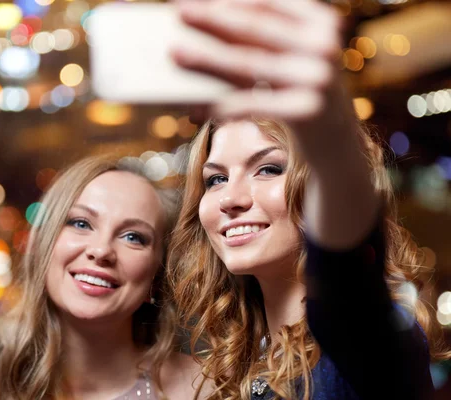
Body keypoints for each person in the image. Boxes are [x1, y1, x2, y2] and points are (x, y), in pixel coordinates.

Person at [167, 0, 449, 399]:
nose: (230, 197)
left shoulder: (355, 340)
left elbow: (350, 294)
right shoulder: (241, 361)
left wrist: (331, 151)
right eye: (215, 179)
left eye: (268, 169)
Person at [0, 156, 209, 399]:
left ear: (156, 276)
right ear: (43, 245)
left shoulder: (208, 391)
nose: (101, 251)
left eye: (133, 237)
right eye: (81, 223)